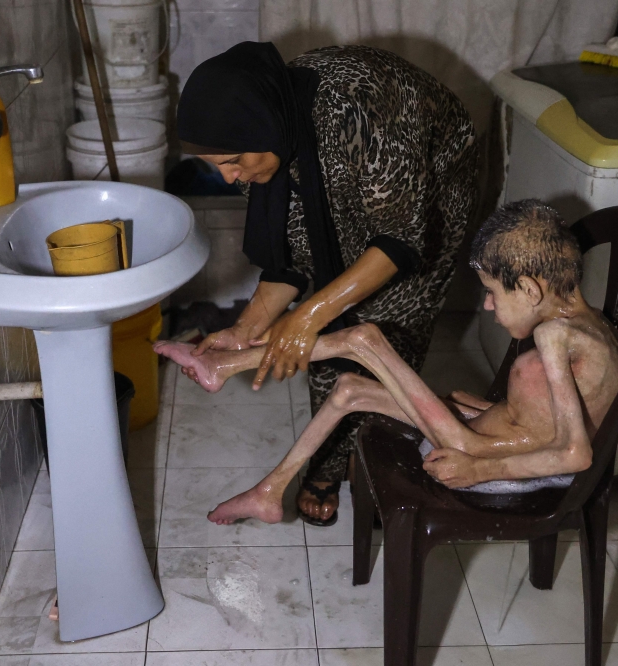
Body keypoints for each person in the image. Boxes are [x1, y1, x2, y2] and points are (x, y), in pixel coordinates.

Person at [155, 200, 618, 524]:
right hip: (489, 434)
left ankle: (223, 367)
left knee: (365, 339)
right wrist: (493, 410)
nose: (487, 307)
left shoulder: (554, 334)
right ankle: (267, 492)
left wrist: (479, 469)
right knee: (348, 389)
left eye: (490, 294)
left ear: (529, 289)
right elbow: (549, 416)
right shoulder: (589, 325)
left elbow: (575, 454)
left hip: (487, 458)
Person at [175, 42, 478, 526]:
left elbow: (399, 240)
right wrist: (246, 327)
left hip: (431, 181)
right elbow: (294, 258)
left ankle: (374, 459)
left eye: (232, 161)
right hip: (342, 168)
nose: (232, 179)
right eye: (220, 167)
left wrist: (309, 315)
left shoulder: (363, 107)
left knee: (391, 318)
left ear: (259, 130)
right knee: (326, 322)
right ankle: (328, 465)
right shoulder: (279, 123)